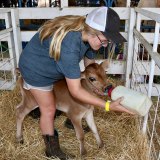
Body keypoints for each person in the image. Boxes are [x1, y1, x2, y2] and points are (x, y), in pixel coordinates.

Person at [18, 7, 134, 160]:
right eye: (104, 40)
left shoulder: (87, 36)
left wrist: (98, 86)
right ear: (93, 32)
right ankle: (51, 151)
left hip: (53, 66)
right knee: (49, 109)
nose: (104, 45)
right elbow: (75, 90)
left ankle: (71, 116)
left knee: (67, 101)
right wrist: (107, 106)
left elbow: (90, 67)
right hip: (36, 69)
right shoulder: (70, 47)